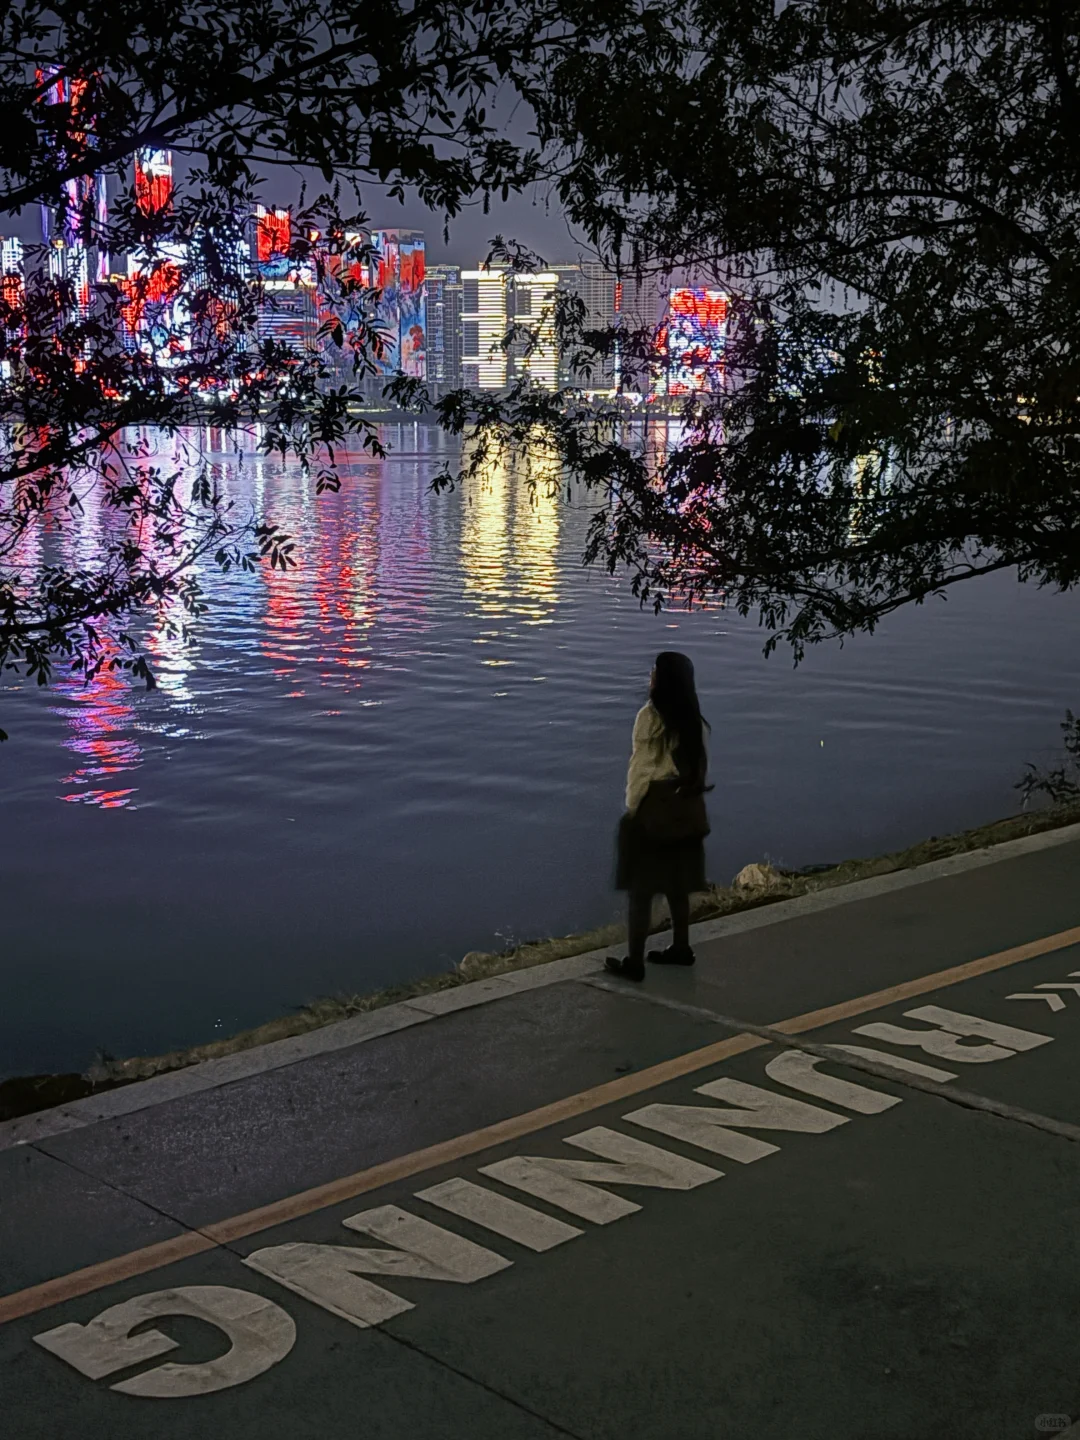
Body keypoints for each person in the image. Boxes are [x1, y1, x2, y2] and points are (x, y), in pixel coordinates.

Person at [605, 651, 712, 982]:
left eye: (654, 672)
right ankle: (682, 947)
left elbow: (641, 770)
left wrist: (634, 809)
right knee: (677, 886)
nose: (650, 676)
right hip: (686, 813)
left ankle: (634, 962)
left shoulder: (650, 718)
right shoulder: (694, 721)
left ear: (662, 681)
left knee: (641, 891)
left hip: (655, 812)